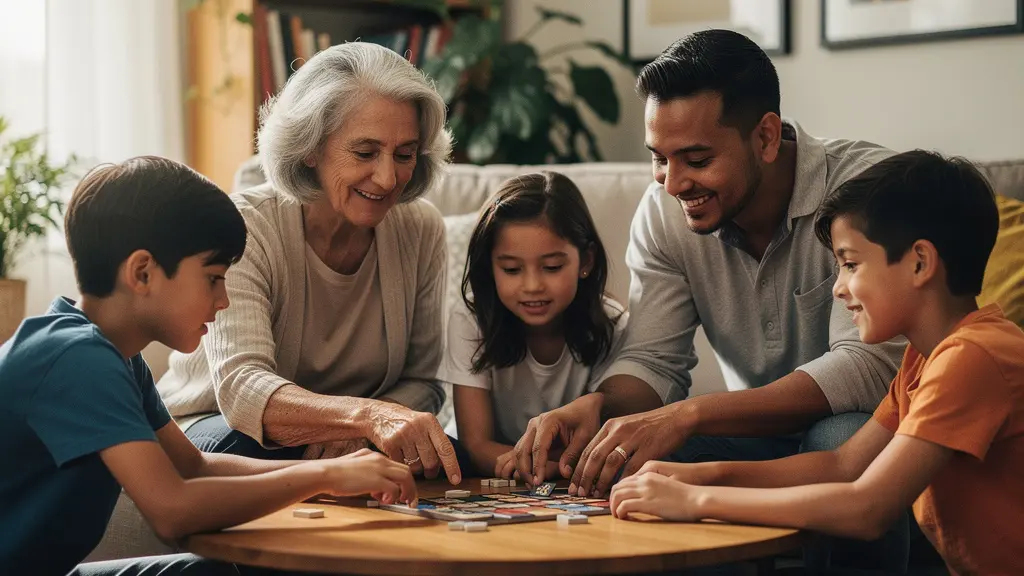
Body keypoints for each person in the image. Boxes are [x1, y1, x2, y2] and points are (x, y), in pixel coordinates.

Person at [509, 29, 906, 499]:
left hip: (867, 427)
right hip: (747, 434)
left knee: (840, 434)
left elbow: (868, 368)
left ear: (765, 137)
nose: (673, 184)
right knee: (621, 461)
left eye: (696, 159)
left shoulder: (868, 191)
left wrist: (689, 414)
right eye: (659, 158)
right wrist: (600, 407)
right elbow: (653, 359)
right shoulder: (663, 211)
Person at [609, 150, 1024, 575]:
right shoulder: (924, 360)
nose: (838, 288)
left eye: (850, 264)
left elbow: (868, 508)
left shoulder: (971, 358)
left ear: (920, 263)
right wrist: (700, 476)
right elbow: (842, 466)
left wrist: (696, 501)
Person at [0, 157, 418, 576]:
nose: (224, 300)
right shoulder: (77, 359)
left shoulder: (116, 358)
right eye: (214, 278)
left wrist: (342, 470)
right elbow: (172, 511)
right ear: (143, 273)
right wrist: (325, 475)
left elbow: (194, 467)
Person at [157, 42, 461, 483]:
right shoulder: (246, 226)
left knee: (449, 456)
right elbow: (242, 389)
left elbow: (425, 381)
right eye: (365, 152)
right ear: (310, 148)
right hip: (219, 428)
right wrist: (366, 419)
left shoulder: (421, 228)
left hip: (355, 435)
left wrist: (362, 433)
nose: (387, 178)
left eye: (404, 154)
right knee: (253, 450)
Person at [439, 172, 628, 478]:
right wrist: (541, 467)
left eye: (552, 267)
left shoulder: (611, 323)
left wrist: (551, 469)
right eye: (511, 269)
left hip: (563, 474)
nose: (532, 286)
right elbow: (475, 444)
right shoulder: (471, 318)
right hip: (482, 470)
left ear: (586, 261)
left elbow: (601, 438)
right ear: (490, 267)